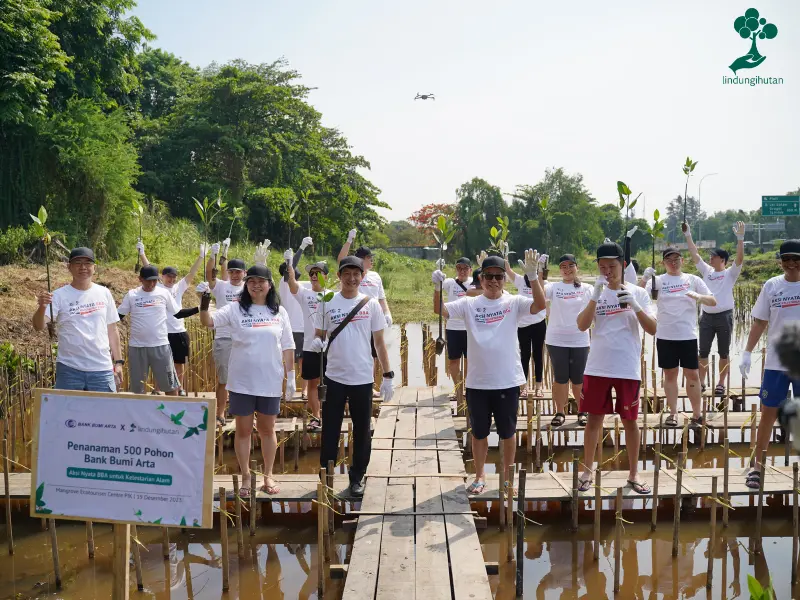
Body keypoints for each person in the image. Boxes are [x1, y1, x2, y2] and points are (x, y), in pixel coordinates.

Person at [433, 251, 546, 494]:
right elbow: (440, 310)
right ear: (481, 279)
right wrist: (437, 285)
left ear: (505, 279)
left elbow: (540, 305)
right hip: (477, 382)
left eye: (498, 277)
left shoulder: (514, 302)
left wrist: (533, 276)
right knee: (479, 433)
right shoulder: (469, 303)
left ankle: (507, 479)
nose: (494, 281)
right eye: (489, 277)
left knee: (508, 434)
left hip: (507, 381)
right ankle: (480, 476)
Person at [198, 264, 294, 497]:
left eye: (261, 281)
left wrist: (290, 377)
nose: (256, 285)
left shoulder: (279, 312)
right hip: (241, 382)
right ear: (246, 284)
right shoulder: (235, 309)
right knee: (243, 430)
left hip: (270, 380)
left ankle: (268, 475)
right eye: (251, 281)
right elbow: (208, 321)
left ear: (269, 285)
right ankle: (246, 477)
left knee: (267, 429)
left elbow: (289, 346)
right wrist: (203, 301)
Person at [309, 256, 394, 497]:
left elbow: (379, 342)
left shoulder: (371, 304)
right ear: (339, 276)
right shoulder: (327, 302)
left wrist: (387, 375)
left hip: (362, 379)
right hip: (334, 377)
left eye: (356, 273)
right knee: (330, 430)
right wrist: (318, 342)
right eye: (346, 273)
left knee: (362, 431)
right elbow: (320, 334)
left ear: (362, 276)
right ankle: (326, 477)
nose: (352, 278)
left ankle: (357, 477)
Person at [576, 241, 657, 494]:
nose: (607, 271)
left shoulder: (638, 293)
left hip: (627, 367)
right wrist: (594, 297)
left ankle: (634, 473)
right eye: (602, 267)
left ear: (623, 265)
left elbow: (653, 328)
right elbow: (581, 326)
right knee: (593, 420)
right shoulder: (594, 291)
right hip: (597, 366)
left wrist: (635, 305)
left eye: (612, 266)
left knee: (630, 421)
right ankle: (587, 470)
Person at [740, 239, 800, 489]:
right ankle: (757, 466)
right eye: (786, 260)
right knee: (768, 413)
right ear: (780, 262)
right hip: (776, 362)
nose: (791, 264)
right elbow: (759, 321)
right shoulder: (772, 285)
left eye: (796, 259)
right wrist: (746, 351)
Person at [640, 246, 716, 427]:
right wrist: (644, 279)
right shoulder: (657, 281)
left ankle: (697, 415)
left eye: (676, 260)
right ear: (663, 263)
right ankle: (673, 413)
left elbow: (713, 301)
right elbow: (637, 295)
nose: (673, 263)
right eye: (669, 260)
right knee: (670, 375)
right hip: (665, 335)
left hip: (687, 335)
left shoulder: (693, 279)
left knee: (693, 375)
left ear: (682, 261)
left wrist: (699, 296)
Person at [32, 247, 124, 391]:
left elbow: (112, 329)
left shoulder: (104, 293)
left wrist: (118, 362)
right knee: (68, 413)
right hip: (69, 369)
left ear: (94, 267)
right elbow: (38, 325)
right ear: (69, 267)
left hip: (102, 369)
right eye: (77, 263)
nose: (83, 267)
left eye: (87, 263)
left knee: (103, 412)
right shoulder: (58, 296)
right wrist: (42, 307)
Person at [684, 221, 746, 395]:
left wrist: (740, 238)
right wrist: (688, 235)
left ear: (723, 260)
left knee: (723, 352)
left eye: (714, 256)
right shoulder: (707, 272)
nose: (710, 258)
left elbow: (740, 259)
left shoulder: (730, 274)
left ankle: (720, 383)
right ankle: (701, 382)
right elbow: (695, 255)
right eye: (710, 256)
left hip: (724, 316)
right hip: (706, 317)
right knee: (702, 352)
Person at [137, 239, 205, 394]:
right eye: (169, 276)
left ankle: (178, 387)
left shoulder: (178, 287)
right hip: (162, 332)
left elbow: (191, 274)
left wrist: (201, 257)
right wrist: (142, 253)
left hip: (179, 330)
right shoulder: (158, 286)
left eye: (174, 276)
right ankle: (158, 388)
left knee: (179, 363)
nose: (172, 279)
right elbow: (148, 267)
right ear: (162, 276)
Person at [338, 229, 393, 397]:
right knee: (357, 352)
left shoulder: (376, 276)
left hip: (374, 319)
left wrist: (387, 313)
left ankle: (372, 384)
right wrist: (349, 240)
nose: (372, 261)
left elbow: (381, 298)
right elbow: (341, 260)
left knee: (375, 353)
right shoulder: (353, 275)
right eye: (369, 258)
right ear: (362, 259)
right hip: (355, 319)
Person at [117, 264, 182, 395]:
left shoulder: (164, 293)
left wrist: (200, 308)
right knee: (138, 389)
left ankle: (172, 414)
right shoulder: (132, 295)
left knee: (170, 386)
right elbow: (118, 316)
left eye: (154, 280)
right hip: (137, 347)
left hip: (161, 346)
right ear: (140, 279)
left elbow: (178, 313)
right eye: (148, 280)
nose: (152, 284)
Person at [543, 254, 592, 427]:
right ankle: (560, 412)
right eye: (563, 266)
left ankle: (582, 411)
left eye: (571, 265)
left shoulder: (587, 288)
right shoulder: (553, 287)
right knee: (560, 378)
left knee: (578, 379)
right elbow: (539, 295)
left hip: (579, 339)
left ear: (577, 267)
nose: (567, 269)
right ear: (559, 270)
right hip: (556, 340)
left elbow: (597, 305)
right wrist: (539, 274)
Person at [205, 240, 248, 426]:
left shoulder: (249, 289)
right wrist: (212, 256)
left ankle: (245, 416)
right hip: (223, 338)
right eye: (232, 271)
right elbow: (209, 275)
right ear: (228, 273)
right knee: (224, 379)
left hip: (245, 339)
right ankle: (220, 414)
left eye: (239, 272)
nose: (235, 275)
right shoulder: (222, 286)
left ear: (244, 274)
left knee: (245, 379)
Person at [287, 255, 326, 432]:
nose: (314, 275)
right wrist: (289, 265)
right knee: (312, 382)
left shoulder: (333, 295)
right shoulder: (305, 294)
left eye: (318, 272)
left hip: (331, 348)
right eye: (311, 273)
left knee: (333, 383)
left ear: (326, 276)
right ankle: (316, 416)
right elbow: (292, 285)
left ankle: (329, 416)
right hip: (310, 347)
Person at [504, 253, 549, 396]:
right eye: (528, 263)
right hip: (523, 324)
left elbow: (542, 291)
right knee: (524, 355)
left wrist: (540, 270)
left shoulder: (542, 281)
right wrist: (505, 255)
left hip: (539, 322)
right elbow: (508, 270)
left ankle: (538, 387)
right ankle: (523, 387)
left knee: (538, 355)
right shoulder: (519, 280)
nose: (530, 265)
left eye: (532, 264)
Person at [274, 237, 313, 397]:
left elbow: (320, 282)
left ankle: (304, 390)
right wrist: (301, 248)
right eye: (289, 270)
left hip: (305, 329)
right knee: (287, 361)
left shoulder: (304, 285)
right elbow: (291, 270)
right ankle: (286, 388)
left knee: (304, 362)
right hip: (290, 329)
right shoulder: (283, 284)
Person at [432, 257, 472, 396]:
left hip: (469, 329)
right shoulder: (450, 283)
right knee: (453, 361)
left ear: (470, 270)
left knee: (469, 360)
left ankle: (467, 387)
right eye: (459, 268)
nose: (462, 271)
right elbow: (440, 285)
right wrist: (438, 273)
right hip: (453, 328)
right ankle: (458, 388)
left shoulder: (473, 283)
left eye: (465, 268)